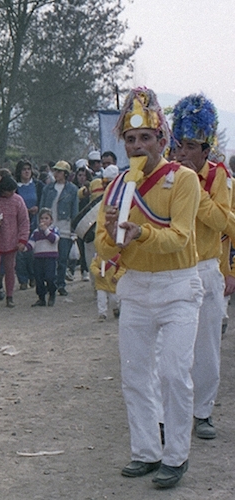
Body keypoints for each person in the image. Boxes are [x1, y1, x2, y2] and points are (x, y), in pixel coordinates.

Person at [96, 87, 202, 489]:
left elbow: (179, 237)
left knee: (175, 372)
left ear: (162, 139)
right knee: (136, 374)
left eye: (145, 138)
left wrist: (141, 233)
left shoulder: (183, 179)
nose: (137, 146)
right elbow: (107, 248)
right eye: (130, 139)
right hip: (136, 287)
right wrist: (109, 235)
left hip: (178, 286)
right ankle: (145, 450)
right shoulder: (119, 184)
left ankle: (176, 455)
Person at [172, 94, 231, 440]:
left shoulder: (218, 177)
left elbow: (223, 221)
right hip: (174, 269)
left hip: (207, 267)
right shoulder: (168, 174)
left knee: (206, 346)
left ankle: (203, 411)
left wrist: (196, 189)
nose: (182, 154)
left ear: (206, 149)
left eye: (191, 146)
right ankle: (172, 412)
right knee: (173, 349)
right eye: (180, 145)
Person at [0, 174, 30, 310]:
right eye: (10, 191)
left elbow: (24, 222)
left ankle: (10, 297)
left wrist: (22, 240)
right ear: (3, 190)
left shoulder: (18, 201)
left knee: (9, 269)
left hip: (11, 241)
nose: (13, 193)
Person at [40, 161, 78, 296]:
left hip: (65, 226)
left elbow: (74, 211)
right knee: (48, 257)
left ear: (66, 174)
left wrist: (74, 230)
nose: (56, 173)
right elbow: (42, 207)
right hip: (49, 226)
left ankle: (60, 284)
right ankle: (50, 284)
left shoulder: (72, 190)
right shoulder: (47, 189)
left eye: (60, 171)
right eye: (56, 171)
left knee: (62, 258)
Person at [15, 160, 42, 290]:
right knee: (20, 253)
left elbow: (43, 201)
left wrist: (38, 208)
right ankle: (22, 279)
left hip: (35, 222)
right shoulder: (15, 187)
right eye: (24, 169)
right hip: (19, 223)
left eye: (28, 169)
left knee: (33, 252)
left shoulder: (37, 185)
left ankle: (33, 276)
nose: (26, 172)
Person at [26, 208, 59, 306]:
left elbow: (54, 239)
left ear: (51, 220)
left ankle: (52, 294)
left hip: (50, 258)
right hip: (38, 258)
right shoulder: (36, 232)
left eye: (46, 218)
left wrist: (46, 231)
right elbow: (31, 244)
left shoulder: (54, 230)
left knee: (50, 277)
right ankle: (41, 298)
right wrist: (23, 247)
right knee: (39, 279)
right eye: (42, 218)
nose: (44, 220)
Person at [90, 253, 124, 321]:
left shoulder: (118, 257)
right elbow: (93, 266)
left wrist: (116, 277)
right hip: (101, 283)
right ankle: (102, 314)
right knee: (101, 299)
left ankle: (116, 308)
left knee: (114, 300)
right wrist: (98, 272)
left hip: (112, 284)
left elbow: (122, 268)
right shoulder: (98, 257)